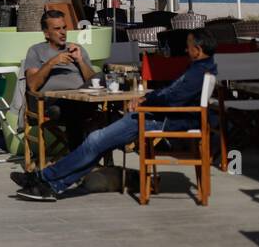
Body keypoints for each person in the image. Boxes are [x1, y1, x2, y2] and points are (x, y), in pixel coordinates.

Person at [13, 29, 219, 201]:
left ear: (198, 50)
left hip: (159, 119)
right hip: (156, 116)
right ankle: (51, 184)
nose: (185, 48)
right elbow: (169, 93)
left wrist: (144, 102)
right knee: (97, 142)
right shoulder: (201, 68)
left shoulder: (197, 73)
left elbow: (171, 98)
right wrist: (146, 99)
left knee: (95, 140)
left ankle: (44, 178)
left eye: (189, 45)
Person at [15, 9, 98, 150]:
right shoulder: (36, 51)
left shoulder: (77, 49)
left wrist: (80, 61)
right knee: (75, 110)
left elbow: (94, 82)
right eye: (57, 29)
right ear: (46, 33)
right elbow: (32, 85)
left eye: (64, 28)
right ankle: (78, 156)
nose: (63, 32)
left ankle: (102, 155)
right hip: (50, 104)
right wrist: (52, 62)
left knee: (110, 109)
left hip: (82, 99)